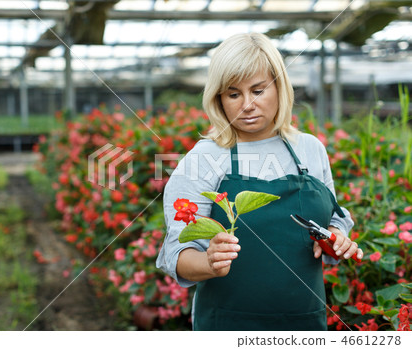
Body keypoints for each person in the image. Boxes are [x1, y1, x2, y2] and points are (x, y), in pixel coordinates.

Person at [156, 32, 363, 331]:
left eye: (258, 90)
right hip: (228, 324)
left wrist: (334, 237)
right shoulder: (204, 157)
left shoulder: (309, 149)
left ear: (280, 87)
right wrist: (209, 261)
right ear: (219, 99)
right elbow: (177, 252)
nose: (247, 105)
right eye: (233, 93)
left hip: (304, 323)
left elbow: (335, 216)